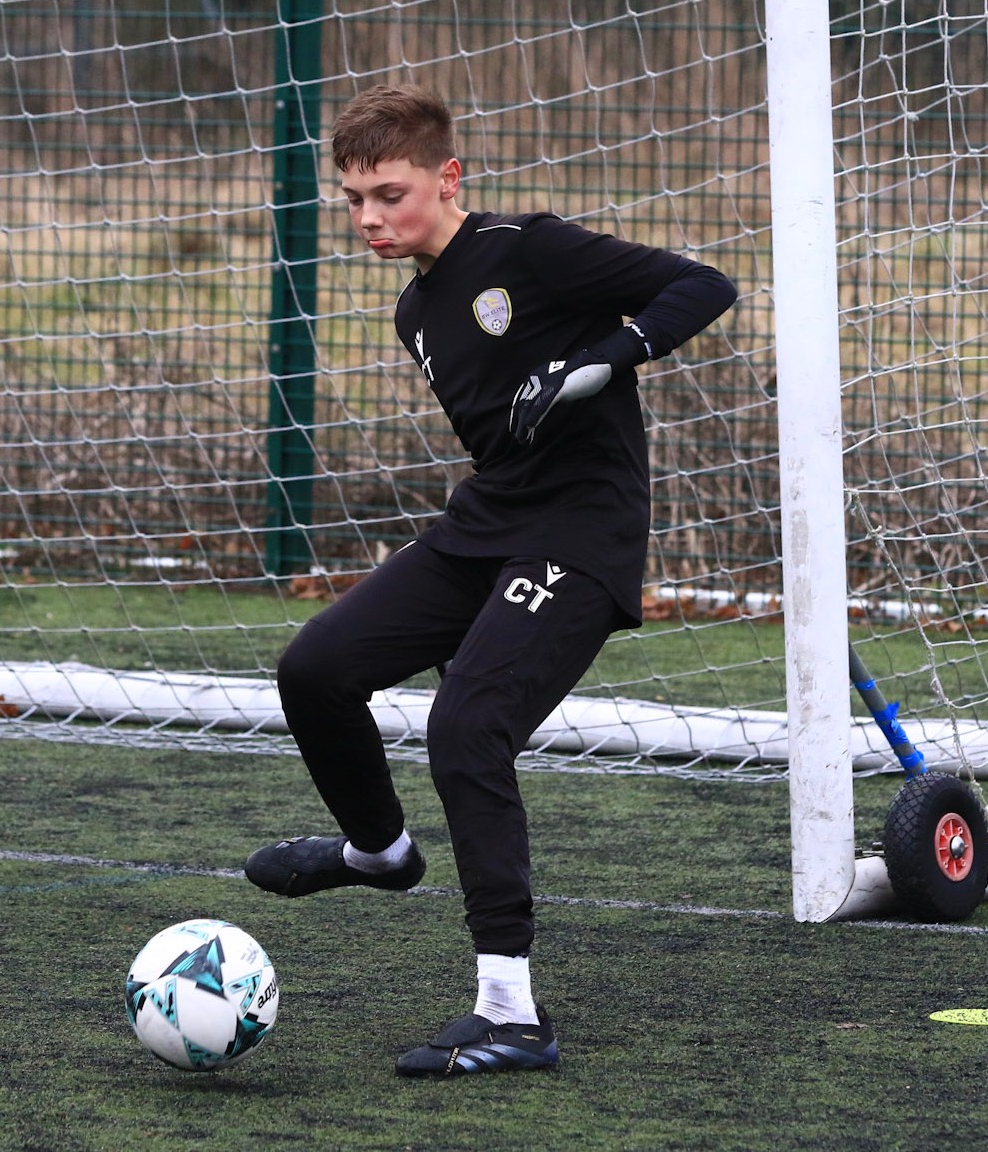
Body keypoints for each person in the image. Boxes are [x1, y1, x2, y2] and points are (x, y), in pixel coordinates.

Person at [244, 84, 737, 1077]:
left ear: (447, 178)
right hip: (488, 527)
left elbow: (701, 285)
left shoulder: (530, 249)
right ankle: (379, 853)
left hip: (581, 535)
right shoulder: (414, 310)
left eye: (390, 194)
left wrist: (601, 361)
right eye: (354, 200)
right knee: (314, 670)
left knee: (466, 727)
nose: (369, 217)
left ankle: (512, 1015)